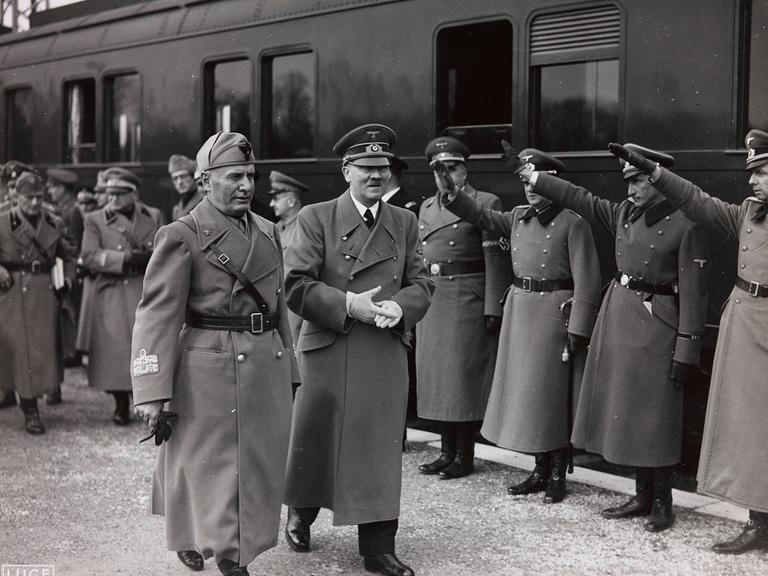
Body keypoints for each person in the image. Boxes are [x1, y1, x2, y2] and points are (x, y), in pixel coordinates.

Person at [514, 143, 709, 531]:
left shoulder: (687, 223)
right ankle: (640, 496)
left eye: (638, 180)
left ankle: (662, 503)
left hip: (660, 324)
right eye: (628, 182)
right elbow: (580, 198)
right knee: (631, 410)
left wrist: (688, 347)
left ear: (657, 179)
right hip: (621, 316)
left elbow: (695, 290)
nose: (631, 190)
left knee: (658, 416)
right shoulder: (623, 213)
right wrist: (536, 179)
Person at [131, 131, 298, 576]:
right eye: (233, 177)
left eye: (250, 176)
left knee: (255, 464)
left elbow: (278, 307)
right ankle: (225, 554)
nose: (246, 185)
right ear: (205, 182)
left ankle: (224, 543)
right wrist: (151, 390)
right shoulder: (181, 235)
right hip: (206, 364)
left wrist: (291, 368)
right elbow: (156, 315)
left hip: (263, 362)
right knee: (210, 465)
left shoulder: (268, 230)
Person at [282, 123, 434, 576]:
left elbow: (424, 283)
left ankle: (377, 547)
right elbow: (295, 286)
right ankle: (300, 513)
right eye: (366, 168)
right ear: (346, 170)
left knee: (378, 448)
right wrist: (351, 304)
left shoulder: (403, 222)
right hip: (330, 344)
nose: (375, 176)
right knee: (315, 438)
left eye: (382, 168)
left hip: (382, 350)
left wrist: (399, 306)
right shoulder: (316, 217)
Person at [612, 130, 768, 553]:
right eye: (753, 172)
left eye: (764, 173)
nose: (753, 181)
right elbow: (698, 201)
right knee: (751, 423)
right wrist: (656, 173)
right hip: (746, 317)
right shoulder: (749, 213)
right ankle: (758, 519)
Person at [438, 148, 601, 502]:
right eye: (524, 182)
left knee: (552, 396)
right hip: (521, 313)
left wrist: (578, 327)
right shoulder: (518, 217)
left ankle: (557, 473)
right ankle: (539, 470)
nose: (529, 189)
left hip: (553, 314)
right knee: (529, 398)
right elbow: (480, 215)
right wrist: (451, 192)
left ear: (552, 182)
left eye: (535, 181)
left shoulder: (573, 223)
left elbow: (588, 279)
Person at [415, 136, 510, 480]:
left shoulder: (484, 201)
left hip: (466, 296)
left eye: (452, 167)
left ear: (464, 169)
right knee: (439, 379)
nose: (446, 175)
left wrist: (492, 305)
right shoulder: (426, 207)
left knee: (462, 380)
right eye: (439, 169)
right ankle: (446, 451)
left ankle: (464, 455)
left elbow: (494, 257)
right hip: (434, 297)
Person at [77, 167, 164, 425]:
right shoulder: (94, 219)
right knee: (116, 351)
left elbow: (165, 247)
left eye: (119, 194)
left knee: (145, 347)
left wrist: (150, 257)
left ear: (133, 194)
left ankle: (146, 398)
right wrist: (124, 259)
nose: (112, 199)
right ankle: (120, 402)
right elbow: (89, 255)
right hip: (113, 291)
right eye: (109, 193)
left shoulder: (153, 215)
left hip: (143, 289)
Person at [0, 172, 76, 434]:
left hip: (44, 292)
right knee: (21, 352)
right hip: (12, 294)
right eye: (28, 198)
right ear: (15, 196)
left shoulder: (53, 220)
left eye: (38, 197)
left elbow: (68, 253)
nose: (34, 203)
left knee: (42, 352)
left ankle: (36, 394)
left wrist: (66, 278)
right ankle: (30, 410)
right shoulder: (2, 221)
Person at [47, 168, 85, 381]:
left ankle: (74, 352)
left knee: (70, 311)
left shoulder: (72, 212)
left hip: (70, 270)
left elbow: (75, 245)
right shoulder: (64, 209)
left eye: (53, 187)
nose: (50, 191)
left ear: (62, 188)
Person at [267, 170, 308, 342]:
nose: (271, 204)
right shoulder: (276, 228)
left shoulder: (305, 228)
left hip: (295, 309)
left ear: (291, 201)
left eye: (276, 198)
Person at [169, 154, 204, 220]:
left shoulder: (204, 200)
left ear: (193, 176)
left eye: (183, 176)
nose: (179, 182)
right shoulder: (177, 209)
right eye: (175, 178)